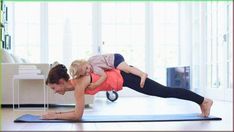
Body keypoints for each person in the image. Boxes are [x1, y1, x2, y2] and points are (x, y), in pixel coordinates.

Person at [42, 63, 213, 121]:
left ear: (62, 82)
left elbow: (78, 115)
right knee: (164, 91)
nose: (55, 92)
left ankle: (203, 100)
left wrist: (55, 115)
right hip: (124, 79)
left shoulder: (78, 84)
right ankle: (201, 101)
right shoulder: (78, 81)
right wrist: (57, 113)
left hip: (126, 76)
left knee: (165, 91)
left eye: (54, 87)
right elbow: (77, 112)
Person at [69, 53, 148, 89]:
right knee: (127, 69)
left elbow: (104, 76)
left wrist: (96, 84)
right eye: (85, 73)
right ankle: (141, 74)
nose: (88, 71)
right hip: (114, 56)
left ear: (84, 62)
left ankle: (142, 74)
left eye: (86, 68)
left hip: (115, 60)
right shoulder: (90, 59)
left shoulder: (95, 68)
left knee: (127, 69)